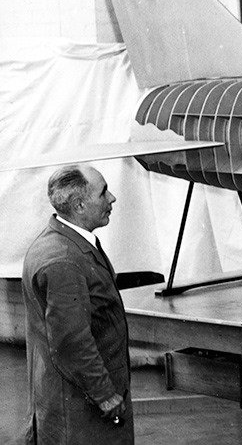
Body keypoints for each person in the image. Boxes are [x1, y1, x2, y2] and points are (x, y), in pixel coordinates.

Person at [20, 165, 133, 444]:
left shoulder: (63, 242)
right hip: (82, 412)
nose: (112, 198)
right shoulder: (64, 261)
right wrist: (105, 394)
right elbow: (72, 341)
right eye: (103, 192)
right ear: (80, 205)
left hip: (75, 399)